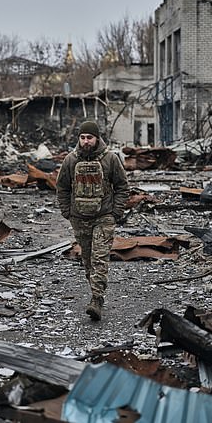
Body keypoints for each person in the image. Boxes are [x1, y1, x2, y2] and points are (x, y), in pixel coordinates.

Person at [55, 120, 129, 321]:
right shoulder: (71, 160)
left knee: (99, 258)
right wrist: (67, 212)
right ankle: (96, 292)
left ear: (97, 138)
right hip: (79, 218)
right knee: (87, 260)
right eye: (83, 137)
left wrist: (115, 213)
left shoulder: (110, 159)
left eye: (90, 137)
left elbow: (122, 186)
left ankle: (96, 299)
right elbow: (62, 187)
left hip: (104, 217)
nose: (86, 141)